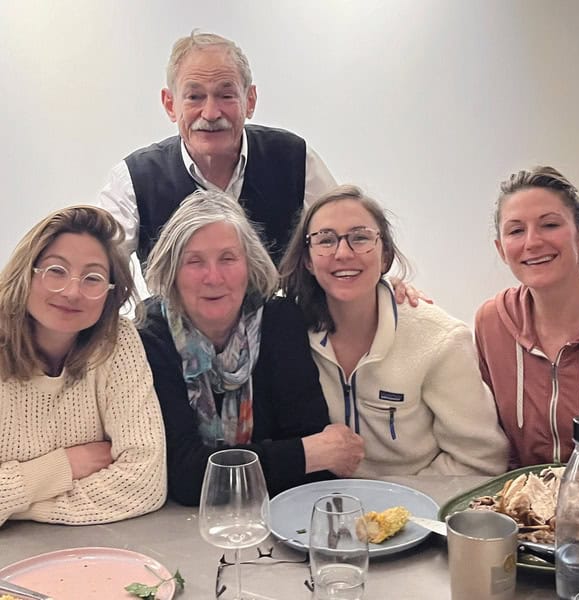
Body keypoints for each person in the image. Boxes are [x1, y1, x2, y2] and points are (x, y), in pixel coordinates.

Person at [136, 190, 364, 505]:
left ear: (249, 265)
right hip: (174, 529)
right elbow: (183, 476)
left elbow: (316, 468)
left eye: (228, 258)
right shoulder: (149, 336)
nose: (213, 277)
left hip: (276, 518)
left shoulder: (279, 321)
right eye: (194, 261)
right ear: (172, 273)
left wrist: (306, 455)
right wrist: (303, 454)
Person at [280, 184, 508, 478]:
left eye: (360, 238)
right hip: (317, 510)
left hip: (415, 511)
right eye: (326, 240)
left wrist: (392, 511)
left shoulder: (441, 340)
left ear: (385, 255)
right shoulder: (285, 332)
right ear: (308, 259)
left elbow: (481, 460)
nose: (343, 253)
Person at [97, 30, 336, 265]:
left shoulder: (294, 159)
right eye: (194, 97)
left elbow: (342, 237)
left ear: (250, 101)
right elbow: (96, 262)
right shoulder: (135, 178)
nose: (211, 113)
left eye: (226, 95)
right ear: (170, 104)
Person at [0, 206, 166, 527]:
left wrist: (16, 507)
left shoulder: (117, 341)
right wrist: (61, 467)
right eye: (56, 270)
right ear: (27, 271)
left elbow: (146, 484)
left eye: (93, 278)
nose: (72, 291)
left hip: (94, 548)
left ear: (110, 293)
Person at [475, 166, 579, 468]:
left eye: (550, 225)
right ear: (502, 250)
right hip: (521, 508)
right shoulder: (491, 322)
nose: (532, 242)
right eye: (516, 231)